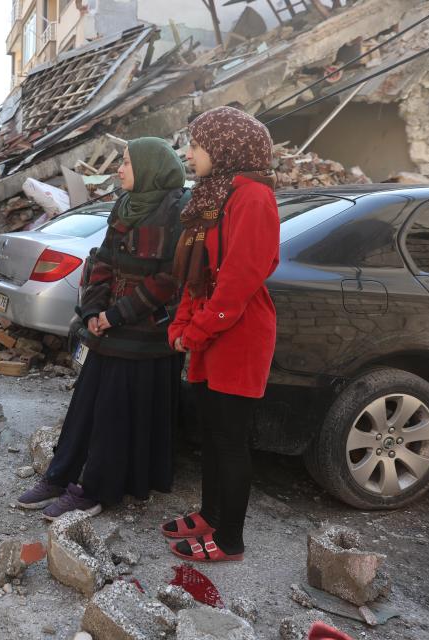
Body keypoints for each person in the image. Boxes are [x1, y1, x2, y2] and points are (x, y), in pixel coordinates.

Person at [16, 137, 187, 519]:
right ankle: (60, 475)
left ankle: (94, 489)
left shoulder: (177, 211)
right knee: (85, 405)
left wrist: (117, 314)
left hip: (146, 334)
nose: (119, 169)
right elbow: (104, 260)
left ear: (149, 168)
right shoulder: (126, 205)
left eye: (127, 163)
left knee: (114, 413)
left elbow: (169, 279)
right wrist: (93, 308)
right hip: (109, 326)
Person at [162, 106, 280, 562]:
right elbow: (200, 273)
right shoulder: (216, 194)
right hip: (214, 329)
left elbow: (239, 279)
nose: (189, 154)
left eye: (197, 145)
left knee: (230, 438)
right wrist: (183, 322)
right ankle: (211, 514)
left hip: (239, 333)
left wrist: (197, 330)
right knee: (211, 433)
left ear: (225, 148)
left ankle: (229, 538)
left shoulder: (252, 197)